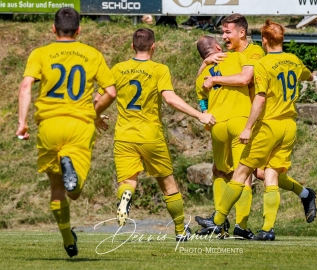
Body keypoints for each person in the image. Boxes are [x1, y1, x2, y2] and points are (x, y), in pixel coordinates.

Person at [195, 14, 317, 239]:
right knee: (266, 173)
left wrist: (248, 126)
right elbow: (308, 75)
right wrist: (205, 66)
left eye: (227, 32)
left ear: (262, 40)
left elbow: (250, 86)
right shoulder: (292, 59)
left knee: (243, 173)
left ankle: (221, 221)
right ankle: (291, 207)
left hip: (265, 123)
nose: (224, 36)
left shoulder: (259, 60)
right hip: (288, 123)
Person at [94, 28, 216, 241]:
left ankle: (126, 196)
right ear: (153, 47)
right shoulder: (159, 69)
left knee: (128, 181)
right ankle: (180, 231)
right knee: (168, 185)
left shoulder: (118, 69)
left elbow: (100, 97)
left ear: (132, 46)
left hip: (124, 136)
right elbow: (170, 98)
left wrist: (95, 117)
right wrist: (199, 115)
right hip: (151, 135)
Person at [16, 7, 117, 257]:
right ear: (79, 30)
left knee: (56, 188)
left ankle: (68, 240)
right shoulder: (91, 54)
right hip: (79, 126)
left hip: (49, 126)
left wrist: (22, 122)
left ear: (53, 28)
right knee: (74, 191)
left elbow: (26, 85)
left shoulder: (41, 53)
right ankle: (72, 172)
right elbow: (111, 92)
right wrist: (94, 112)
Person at [195, 36, 251, 238]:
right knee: (243, 175)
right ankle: (241, 226)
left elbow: (203, 105)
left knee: (219, 172)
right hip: (239, 121)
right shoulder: (237, 57)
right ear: (218, 47)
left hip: (217, 125)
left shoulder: (202, 75)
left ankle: (218, 224)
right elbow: (247, 78)